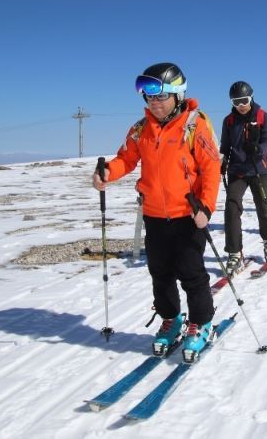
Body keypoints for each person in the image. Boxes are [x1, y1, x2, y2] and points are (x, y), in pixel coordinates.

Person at [92, 62, 221, 362]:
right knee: (160, 273)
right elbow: (126, 159)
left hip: (188, 214)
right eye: (148, 96)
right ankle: (171, 318)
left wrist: (206, 206)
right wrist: (106, 173)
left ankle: (200, 322)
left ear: (176, 94)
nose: (153, 102)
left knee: (191, 273)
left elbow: (211, 167)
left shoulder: (195, 124)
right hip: (154, 213)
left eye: (159, 96)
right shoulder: (141, 129)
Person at [220, 81, 267, 271]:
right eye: (236, 102)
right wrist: (223, 161)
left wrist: (259, 149)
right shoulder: (228, 121)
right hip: (237, 170)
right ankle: (234, 252)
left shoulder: (262, 116)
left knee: (262, 206)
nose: (241, 105)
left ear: (251, 97)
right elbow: (225, 147)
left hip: (259, 168)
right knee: (231, 208)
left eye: (244, 100)